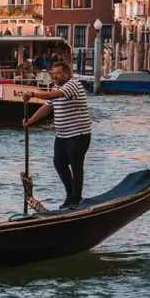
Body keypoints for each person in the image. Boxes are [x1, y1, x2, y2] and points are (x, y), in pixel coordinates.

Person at [23, 59, 92, 209]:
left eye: (59, 74)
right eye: (54, 74)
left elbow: (52, 96)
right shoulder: (57, 85)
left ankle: (75, 199)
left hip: (78, 134)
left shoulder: (73, 84)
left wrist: (33, 93)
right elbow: (48, 107)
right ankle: (70, 196)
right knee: (59, 163)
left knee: (76, 165)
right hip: (62, 134)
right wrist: (30, 120)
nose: (55, 76)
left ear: (68, 73)